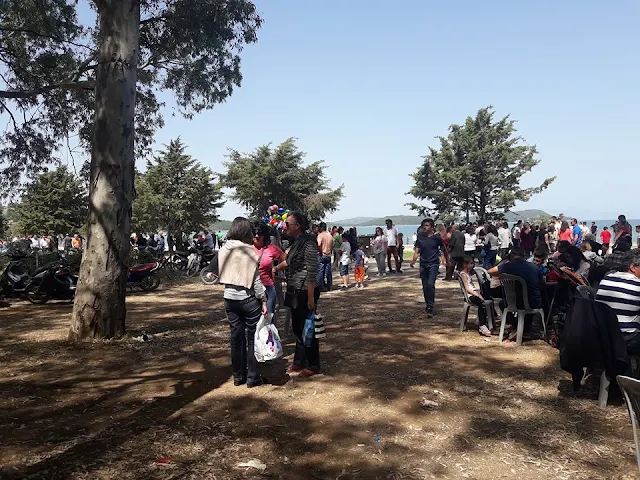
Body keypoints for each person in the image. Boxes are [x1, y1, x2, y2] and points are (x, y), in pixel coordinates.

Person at [218, 217, 268, 388]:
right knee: (252, 338)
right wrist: (263, 300)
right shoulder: (249, 251)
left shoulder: (223, 249)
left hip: (229, 298)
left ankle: (238, 376)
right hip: (248, 299)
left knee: (236, 339)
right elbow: (256, 281)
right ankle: (253, 377)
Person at [273, 211, 320, 378]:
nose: (285, 226)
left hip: (305, 290)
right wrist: (276, 268)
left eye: (288, 224)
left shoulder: (309, 242)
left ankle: (313, 365)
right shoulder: (297, 242)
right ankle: (299, 361)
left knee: (308, 327)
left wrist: (311, 298)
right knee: (297, 327)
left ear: (297, 226)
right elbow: (289, 261)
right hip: (294, 288)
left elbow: (312, 271)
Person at [488, 247, 546, 340]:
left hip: (515, 302)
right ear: (524, 256)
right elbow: (542, 285)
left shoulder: (509, 266)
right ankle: (525, 329)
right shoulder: (534, 267)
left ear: (512, 256)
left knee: (502, 303)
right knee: (535, 297)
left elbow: (490, 271)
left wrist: (502, 275)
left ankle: (516, 325)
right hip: (533, 302)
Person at [596, 250, 640, 355]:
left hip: (600, 334)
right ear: (633, 267)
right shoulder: (637, 285)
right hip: (626, 338)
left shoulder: (607, 278)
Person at [410, 219, 449, 317]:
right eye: (423, 225)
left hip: (433, 264)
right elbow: (417, 252)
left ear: (431, 227)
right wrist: (413, 261)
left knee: (431, 284)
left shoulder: (437, 238)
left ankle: (430, 306)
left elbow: (444, 250)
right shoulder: (420, 239)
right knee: (425, 286)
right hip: (423, 264)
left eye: (427, 225)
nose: (424, 227)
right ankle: (428, 304)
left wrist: (447, 261)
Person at [253, 223, 285, 315]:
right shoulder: (246, 249)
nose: (256, 236)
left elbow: (287, 260)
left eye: (260, 233)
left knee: (268, 319)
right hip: (251, 290)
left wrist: (276, 268)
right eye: (254, 233)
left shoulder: (272, 248)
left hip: (268, 288)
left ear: (265, 235)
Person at [459, 256, 492, 337]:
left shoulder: (468, 273)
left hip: (473, 293)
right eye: (471, 263)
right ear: (464, 264)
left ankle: (491, 317)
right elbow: (467, 289)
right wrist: (477, 294)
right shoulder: (463, 274)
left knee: (488, 297)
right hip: (470, 295)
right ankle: (482, 325)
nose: (472, 265)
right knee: (481, 302)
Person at [316, 222, 333, 291]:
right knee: (328, 271)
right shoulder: (330, 235)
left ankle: (320, 286)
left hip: (322, 254)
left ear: (321, 228)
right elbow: (332, 245)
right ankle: (329, 285)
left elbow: (319, 244)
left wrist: (320, 252)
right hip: (328, 254)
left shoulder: (320, 235)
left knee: (320, 271)